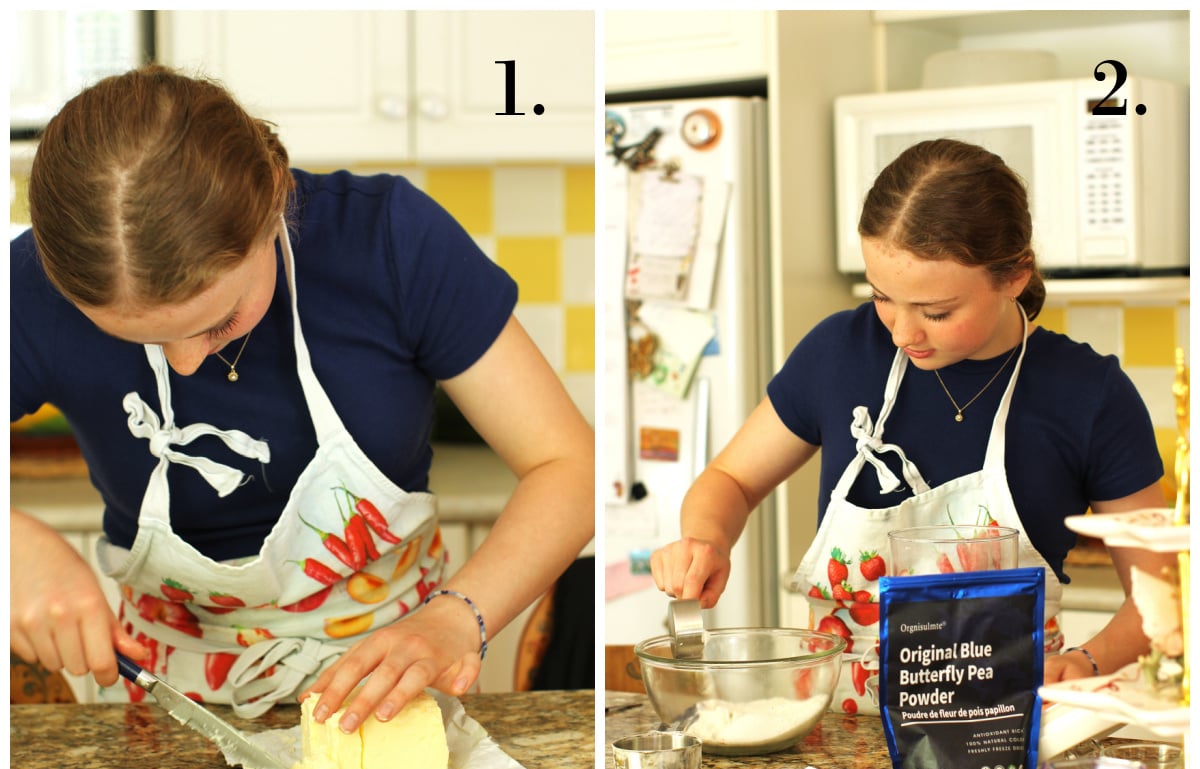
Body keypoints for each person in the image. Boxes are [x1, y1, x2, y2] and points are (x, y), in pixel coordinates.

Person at [11, 65, 594, 727]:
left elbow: (570, 468)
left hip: (396, 684)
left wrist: (457, 620)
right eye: (127, 334)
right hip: (170, 704)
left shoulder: (390, 241)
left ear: (274, 198)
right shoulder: (30, 293)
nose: (184, 363)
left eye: (219, 322)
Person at [651, 138, 1166, 694]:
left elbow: (1162, 593)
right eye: (882, 297)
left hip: (998, 732)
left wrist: (1088, 663)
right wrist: (705, 540)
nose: (902, 332)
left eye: (937, 312)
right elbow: (730, 479)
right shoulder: (840, 352)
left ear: (1015, 275)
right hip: (840, 737)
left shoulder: (1090, 395)